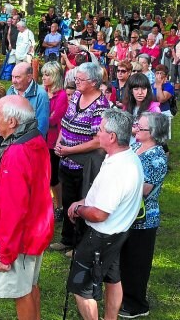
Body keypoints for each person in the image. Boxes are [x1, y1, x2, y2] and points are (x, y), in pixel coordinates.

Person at [66, 108, 144, 320]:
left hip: (101, 236)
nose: (97, 133)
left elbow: (100, 214)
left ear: (112, 136)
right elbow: (104, 200)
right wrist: (82, 202)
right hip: (118, 233)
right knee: (113, 278)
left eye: (100, 130)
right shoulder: (129, 158)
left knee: (81, 288)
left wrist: (79, 210)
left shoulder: (117, 170)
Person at [0, 95, 54, 320]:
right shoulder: (35, 140)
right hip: (34, 230)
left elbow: (14, 208)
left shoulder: (18, 152)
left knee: (21, 292)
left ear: (13, 122)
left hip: (20, 239)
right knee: (31, 286)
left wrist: (5, 253)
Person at [50, 62, 110, 255]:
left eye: (80, 79)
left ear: (94, 82)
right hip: (66, 158)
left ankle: (79, 245)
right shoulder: (76, 95)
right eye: (76, 78)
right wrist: (60, 144)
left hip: (84, 164)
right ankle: (66, 239)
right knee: (68, 200)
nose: (76, 82)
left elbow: (97, 141)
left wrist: (70, 150)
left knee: (82, 202)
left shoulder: (100, 106)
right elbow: (66, 122)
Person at [119, 112, 169, 319]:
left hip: (144, 219)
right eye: (136, 126)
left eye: (141, 128)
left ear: (154, 133)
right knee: (124, 260)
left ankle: (137, 305)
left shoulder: (157, 157)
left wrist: (116, 188)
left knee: (137, 263)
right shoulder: (134, 147)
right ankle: (123, 297)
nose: (136, 129)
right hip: (126, 215)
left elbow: (144, 189)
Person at [41, 61, 68, 219]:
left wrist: (40, 118)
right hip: (41, 139)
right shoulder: (43, 91)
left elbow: (53, 118)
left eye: (47, 74)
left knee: (53, 177)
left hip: (53, 140)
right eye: (43, 74)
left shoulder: (62, 95)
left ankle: (59, 205)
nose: (43, 77)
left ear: (56, 76)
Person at [6, 62, 50, 136]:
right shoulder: (11, 90)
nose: (13, 81)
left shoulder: (41, 95)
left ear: (29, 77)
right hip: (11, 140)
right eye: (12, 77)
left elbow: (42, 127)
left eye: (17, 77)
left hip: (30, 143)